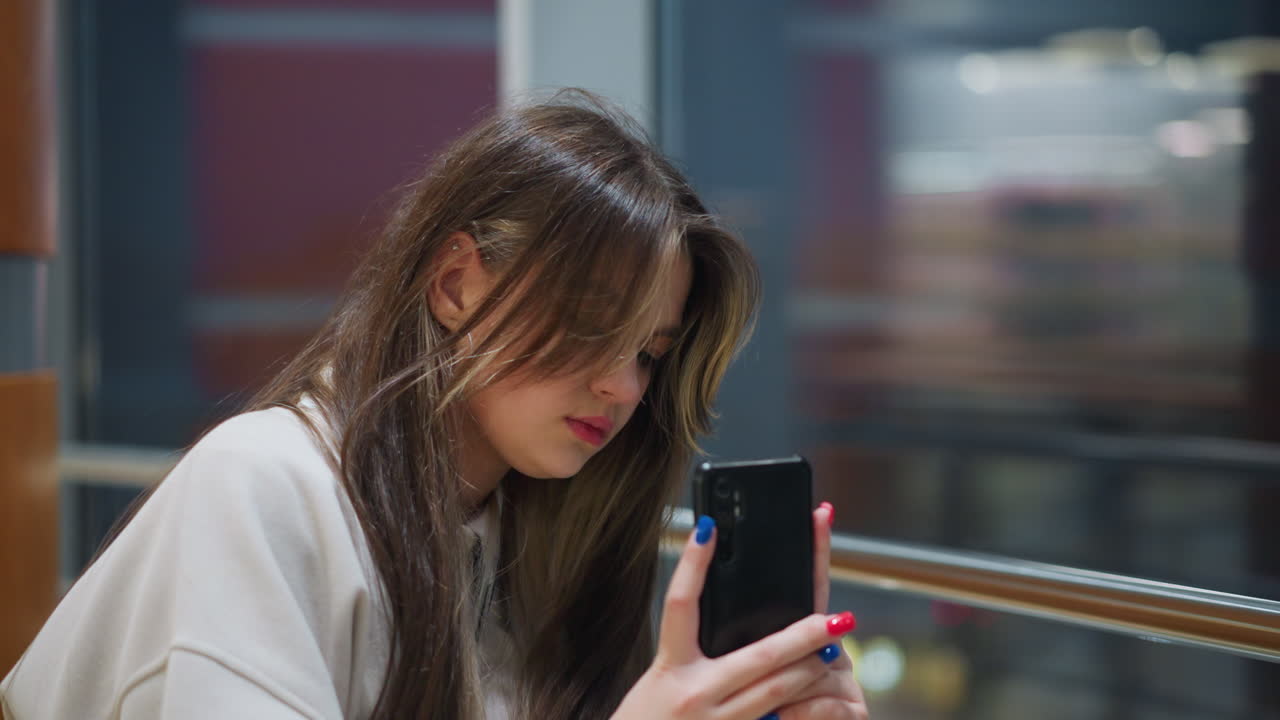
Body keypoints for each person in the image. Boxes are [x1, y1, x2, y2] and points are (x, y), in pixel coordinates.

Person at [1, 90, 868, 720]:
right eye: (595, 325)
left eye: (650, 352)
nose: (626, 385)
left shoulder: (530, 551)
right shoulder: (263, 487)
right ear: (454, 283)